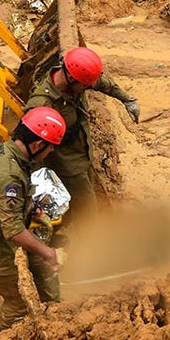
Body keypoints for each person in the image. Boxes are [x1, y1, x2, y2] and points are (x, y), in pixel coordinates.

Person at [0, 106, 66, 331]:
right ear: (38, 145)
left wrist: (30, 208)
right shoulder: (8, 176)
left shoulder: (3, 151)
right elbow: (13, 231)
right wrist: (50, 253)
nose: (50, 154)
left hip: (0, 232)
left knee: (44, 279)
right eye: (50, 149)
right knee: (20, 301)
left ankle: (53, 316)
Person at [25, 46, 139, 224]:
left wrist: (126, 99)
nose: (89, 88)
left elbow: (100, 82)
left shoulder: (75, 82)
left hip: (84, 156)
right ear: (71, 77)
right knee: (88, 213)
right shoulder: (42, 105)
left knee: (75, 210)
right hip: (68, 168)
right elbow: (28, 147)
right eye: (85, 85)